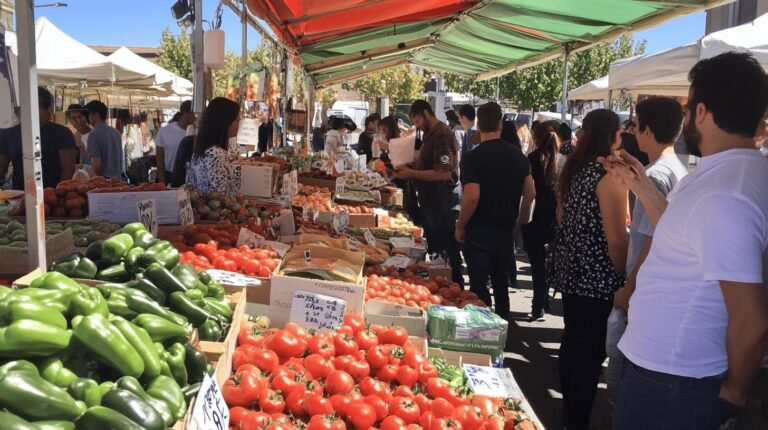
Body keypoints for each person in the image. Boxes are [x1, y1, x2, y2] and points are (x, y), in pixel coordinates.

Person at [602, 52, 768, 430]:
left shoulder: (726, 194)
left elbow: (752, 320)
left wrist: (734, 393)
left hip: (674, 385)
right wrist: (641, 187)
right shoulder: (725, 174)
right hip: (667, 376)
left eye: (689, 106)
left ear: (703, 113)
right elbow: (685, 235)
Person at [604, 96, 688, 405]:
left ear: (648, 131)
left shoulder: (651, 177)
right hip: (657, 292)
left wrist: (629, 287)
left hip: (643, 292)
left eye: (636, 126)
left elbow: (652, 240)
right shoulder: (676, 169)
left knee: (623, 383)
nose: (634, 131)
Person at [549, 109, 628, 430]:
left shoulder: (576, 170)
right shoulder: (608, 177)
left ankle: (570, 417)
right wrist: (627, 276)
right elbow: (617, 240)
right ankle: (576, 420)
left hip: (572, 273)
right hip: (597, 279)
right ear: (614, 136)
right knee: (589, 356)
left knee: (573, 347)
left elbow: (562, 219)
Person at [456, 102, 534, 319]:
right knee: (501, 283)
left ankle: (480, 328)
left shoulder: (473, 157)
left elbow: (472, 196)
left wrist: (460, 225)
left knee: (479, 285)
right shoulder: (518, 155)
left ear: (479, 124)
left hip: (478, 229)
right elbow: (531, 191)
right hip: (504, 228)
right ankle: (503, 325)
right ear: (500, 123)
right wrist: (521, 219)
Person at [393, 100, 463, 287]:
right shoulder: (430, 134)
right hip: (432, 202)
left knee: (446, 253)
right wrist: (411, 166)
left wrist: (412, 173)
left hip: (442, 204)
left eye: (417, 121)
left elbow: (444, 172)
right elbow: (429, 164)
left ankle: (454, 288)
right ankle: (444, 286)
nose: (416, 126)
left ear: (426, 113)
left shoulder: (441, 134)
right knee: (436, 251)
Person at [523, 120, 565, 322]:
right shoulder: (564, 161)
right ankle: (543, 300)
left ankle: (537, 304)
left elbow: (528, 193)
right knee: (551, 261)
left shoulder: (531, 159)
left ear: (536, 138)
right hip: (556, 218)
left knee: (537, 264)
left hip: (535, 216)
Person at [0, 87, 78, 189]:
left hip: (53, 196)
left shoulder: (62, 133)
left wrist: (57, 195)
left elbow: (68, 169)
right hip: (20, 196)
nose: (50, 112)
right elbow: (2, 167)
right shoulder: (8, 134)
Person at [187, 97, 241, 195]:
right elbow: (220, 196)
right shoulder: (217, 155)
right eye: (237, 120)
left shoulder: (200, 151)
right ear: (226, 122)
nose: (239, 125)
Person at [156, 100, 193, 185]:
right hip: (170, 174)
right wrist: (162, 180)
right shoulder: (165, 131)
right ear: (185, 113)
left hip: (190, 176)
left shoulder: (197, 132)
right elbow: (160, 158)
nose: (195, 116)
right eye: (193, 113)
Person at [84, 100, 123, 180]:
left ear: (96, 115)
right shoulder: (116, 132)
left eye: (89, 114)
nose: (87, 118)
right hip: (118, 180)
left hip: (103, 181)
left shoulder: (94, 134)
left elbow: (96, 165)